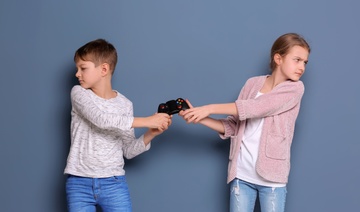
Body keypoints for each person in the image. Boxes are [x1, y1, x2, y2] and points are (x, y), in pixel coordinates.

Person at [180, 33, 310, 212]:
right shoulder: (252, 84)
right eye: (297, 60)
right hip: (241, 175)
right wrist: (200, 117)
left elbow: (257, 107)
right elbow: (233, 126)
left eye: (305, 62)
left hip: (272, 179)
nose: (302, 67)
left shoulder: (295, 89)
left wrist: (209, 107)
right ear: (278, 58)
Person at [64, 38, 172, 212]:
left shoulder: (125, 104)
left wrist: (151, 132)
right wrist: (147, 120)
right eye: (77, 68)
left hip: (114, 184)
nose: (77, 73)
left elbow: (128, 151)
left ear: (104, 69)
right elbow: (101, 119)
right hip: (79, 182)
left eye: (83, 68)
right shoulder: (78, 93)